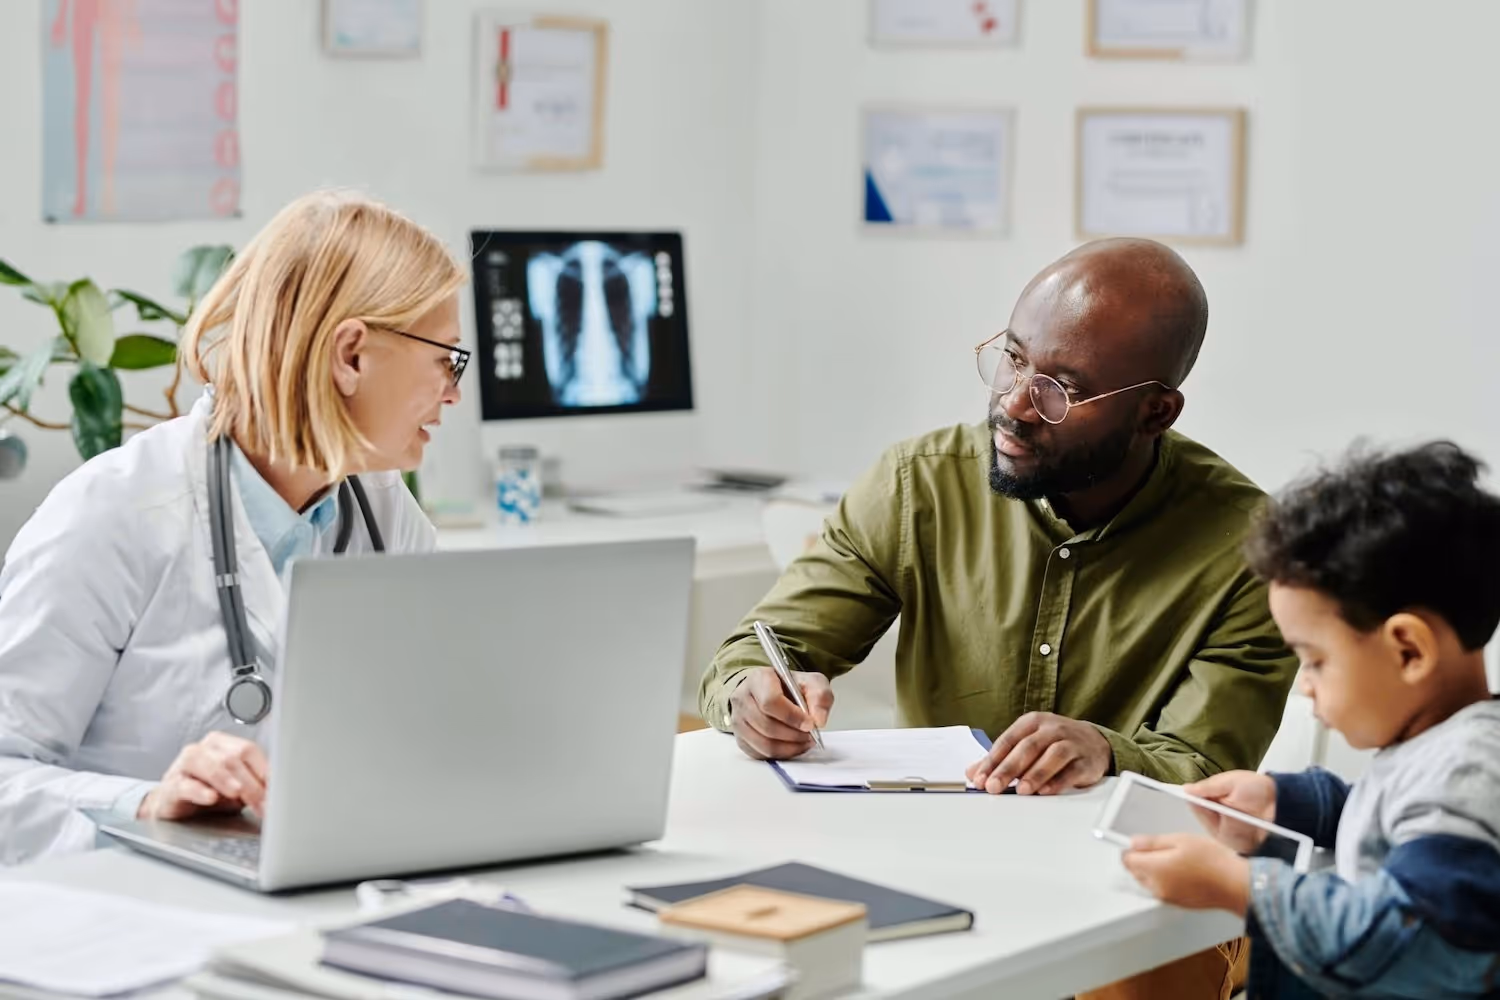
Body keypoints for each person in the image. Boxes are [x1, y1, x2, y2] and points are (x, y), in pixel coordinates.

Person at [698, 238, 1299, 999]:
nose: (1015, 403)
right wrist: (754, 688)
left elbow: (1206, 774)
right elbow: (761, 647)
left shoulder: (1249, 549)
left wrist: (1104, 752)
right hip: (928, 871)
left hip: (1125, 896)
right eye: (1013, 359)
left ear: (1156, 411)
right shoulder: (918, 483)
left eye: (1061, 389)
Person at [0, 190, 470, 864]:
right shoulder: (114, 511)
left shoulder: (384, 512)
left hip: (322, 887)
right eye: (445, 359)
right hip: (134, 910)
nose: (454, 392)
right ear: (351, 355)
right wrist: (145, 806)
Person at [1122, 442, 1500, 998]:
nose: (1305, 682)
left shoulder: (1468, 769)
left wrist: (1240, 887)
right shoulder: (1442, 753)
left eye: (1316, 660)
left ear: (1409, 652)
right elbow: (1399, 829)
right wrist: (1291, 806)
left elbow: (1420, 938)